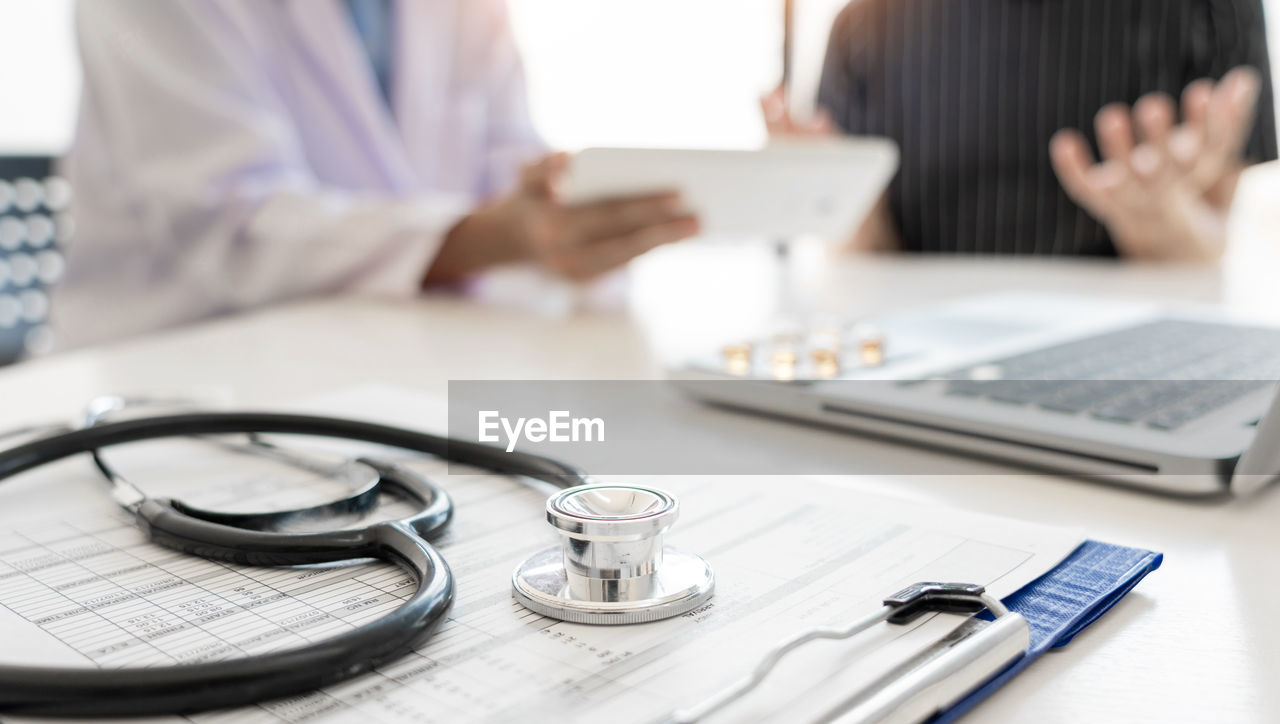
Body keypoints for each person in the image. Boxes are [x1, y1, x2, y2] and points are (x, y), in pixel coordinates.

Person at [56, 0, 698, 347]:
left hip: (399, 352)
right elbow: (235, 225)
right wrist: (508, 234)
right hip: (176, 367)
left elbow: (511, 168)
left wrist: (568, 223)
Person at [765, 0, 1277, 261]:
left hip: (1127, 363)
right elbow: (867, 260)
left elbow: (1211, 251)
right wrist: (836, 200)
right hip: (922, 367)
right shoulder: (867, 22)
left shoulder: (1207, 10)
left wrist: (1161, 223)